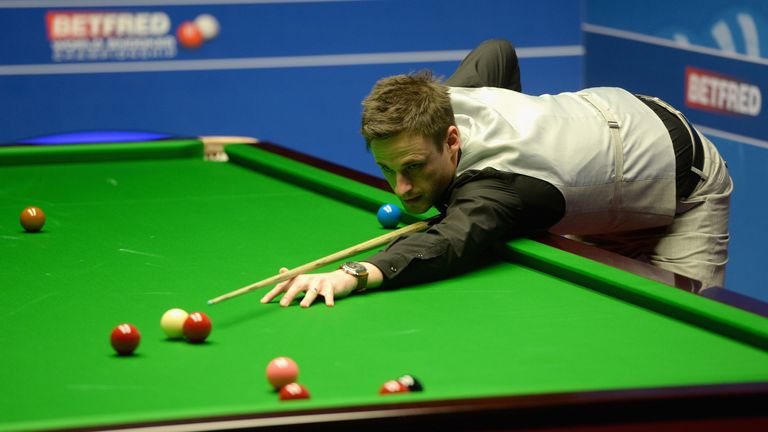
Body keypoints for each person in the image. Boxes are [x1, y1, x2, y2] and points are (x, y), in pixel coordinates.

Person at [260, 39, 733, 308]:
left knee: (685, 320)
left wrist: (355, 274)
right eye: (387, 169)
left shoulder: (498, 188)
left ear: (451, 140)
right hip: (617, 139)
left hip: (682, 182)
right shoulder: (448, 98)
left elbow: (450, 241)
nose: (402, 189)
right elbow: (497, 52)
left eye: (413, 168)